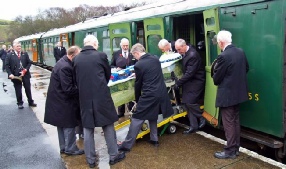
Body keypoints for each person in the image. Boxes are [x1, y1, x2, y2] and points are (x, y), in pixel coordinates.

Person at [73, 35, 125, 168]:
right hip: (101, 96)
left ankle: (90, 160)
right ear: (95, 44)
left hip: (84, 98)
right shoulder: (100, 56)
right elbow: (108, 74)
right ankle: (113, 156)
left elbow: (75, 78)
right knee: (107, 125)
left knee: (88, 129)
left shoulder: (76, 58)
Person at [118, 43, 173, 152]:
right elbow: (151, 73)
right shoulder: (155, 59)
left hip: (149, 94)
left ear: (137, 53)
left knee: (137, 118)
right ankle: (154, 139)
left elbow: (138, 84)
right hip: (161, 92)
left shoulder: (139, 65)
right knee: (153, 115)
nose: (135, 58)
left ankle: (126, 145)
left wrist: (138, 99)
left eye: (135, 56)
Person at [212, 30, 249, 159]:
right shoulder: (240, 52)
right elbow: (246, 69)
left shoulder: (223, 56)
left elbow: (216, 79)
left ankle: (229, 151)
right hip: (238, 94)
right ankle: (236, 148)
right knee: (235, 121)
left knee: (228, 123)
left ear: (221, 43)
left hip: (227, 95)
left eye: (218, 43)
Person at [44, 46, 84, 156]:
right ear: (72, 56)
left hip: (57, 100)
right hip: (64, 101)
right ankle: (71, 148)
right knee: (69, 124)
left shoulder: (62, 62)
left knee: (61, 125)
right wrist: (82, 90)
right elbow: (68, 89)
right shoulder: (65, 67)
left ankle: (63, 146)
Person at [173, 38, 206, 134]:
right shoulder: (186, 52)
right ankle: (193, 126)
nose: (178, 52)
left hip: (196, 81)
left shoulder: (192, 55)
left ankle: (201, 117)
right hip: (190, 82)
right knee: (187, 103)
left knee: (190, 102)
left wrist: (179, 83)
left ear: (184, 46)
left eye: (179, 49)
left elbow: (189, 73)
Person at [5, 41, 37, 109]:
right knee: (18, 89)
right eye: (18, 46)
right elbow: (7, 66)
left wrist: (25, 70)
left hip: (25, 74)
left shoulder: (24, 54)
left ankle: (30, 102)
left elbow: (29, 63)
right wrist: (10, 74)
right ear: (13, 47)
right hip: (16, 76)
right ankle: (20, 103)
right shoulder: (9, 55)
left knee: (28, 88)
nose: (19, 47)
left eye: (20, 46)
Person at [110, 38, 136, 118]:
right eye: (124, 46)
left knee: (131, 92)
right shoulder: (116, 53)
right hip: (120, 78)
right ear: (121, 45)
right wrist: (117, 68)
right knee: (121, 93)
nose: (125, 47)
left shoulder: (133, 53)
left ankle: (132, 109)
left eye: (127, 46)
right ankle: (121, 112)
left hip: (130, 77)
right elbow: (111, 65)